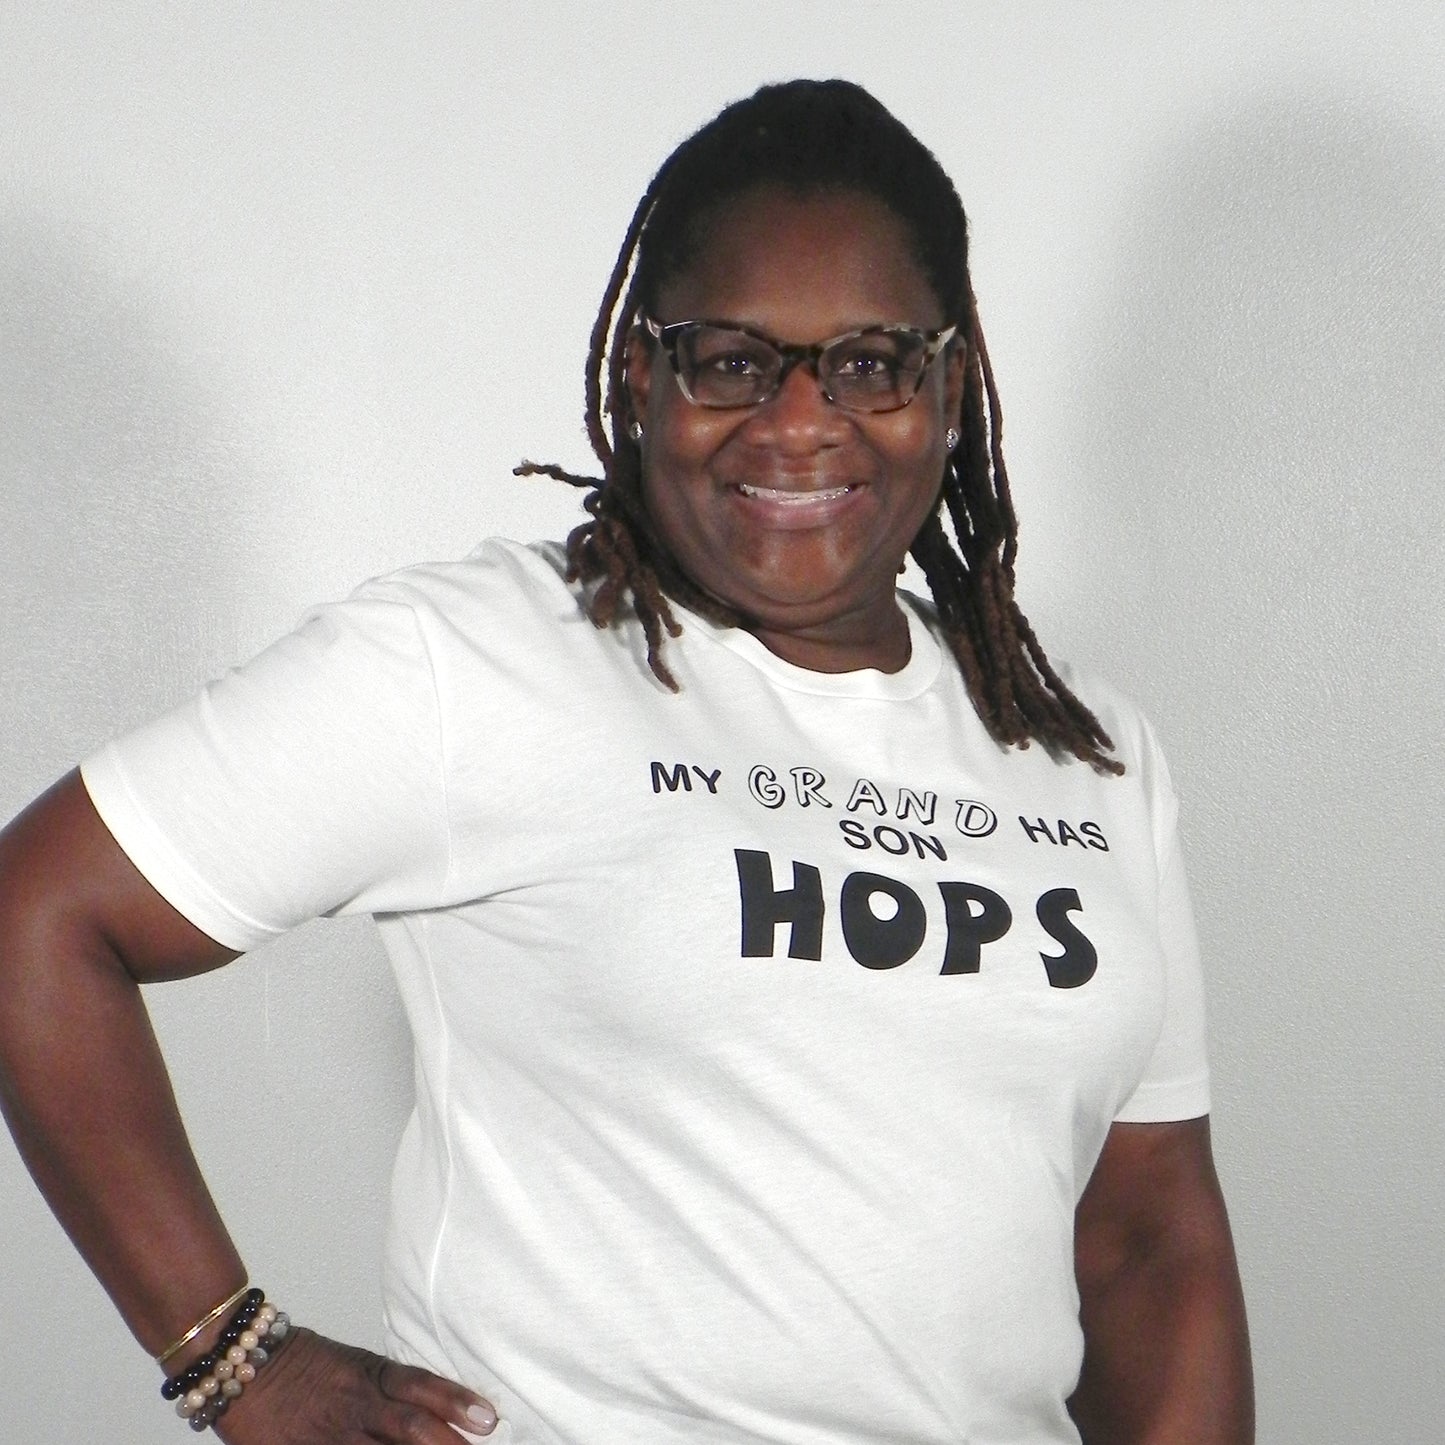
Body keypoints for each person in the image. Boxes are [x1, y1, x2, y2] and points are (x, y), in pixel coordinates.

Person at [0, 79, 1252, 1444]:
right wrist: (237, 1361)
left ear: (946, 389)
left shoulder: (1083, 751)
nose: (798, 421)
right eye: (731, 360)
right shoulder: (482, 662)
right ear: (644, 377)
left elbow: (1147, 1242)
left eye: (869, 362)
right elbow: (35, 917)